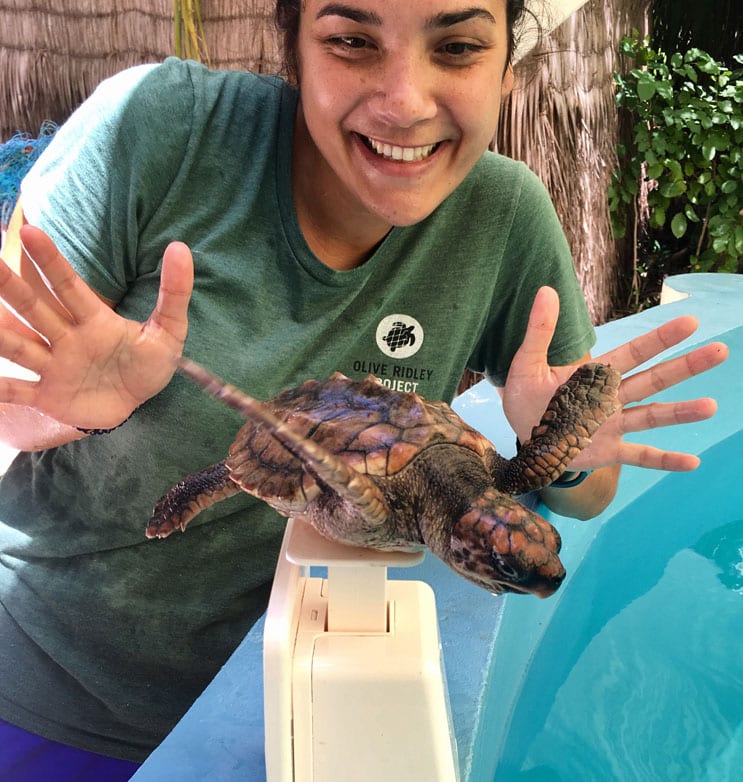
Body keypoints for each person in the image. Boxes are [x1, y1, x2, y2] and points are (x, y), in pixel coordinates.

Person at [0, 0, 727, 778]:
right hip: (57, 688)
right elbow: (10, 398)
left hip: (306, 689)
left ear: (506, 69)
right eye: (351, 41)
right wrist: (66, 409)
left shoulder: (504, 215)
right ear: (294, 54)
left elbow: (586, 495)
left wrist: (567, 451)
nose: (404, 103)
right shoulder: (159, 129)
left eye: (455, 46)